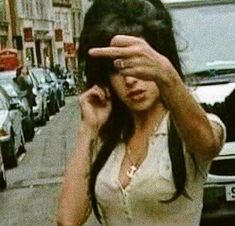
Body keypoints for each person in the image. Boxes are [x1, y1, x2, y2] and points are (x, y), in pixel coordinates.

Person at [57, 0, 226, 226]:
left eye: (139, 65)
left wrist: (167, 75)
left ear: (160, 60)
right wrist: (88, 128)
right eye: (117, 69)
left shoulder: (186, 127)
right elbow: (68, 221)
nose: (130, 79)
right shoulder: (108, 139)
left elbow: (208, 143)